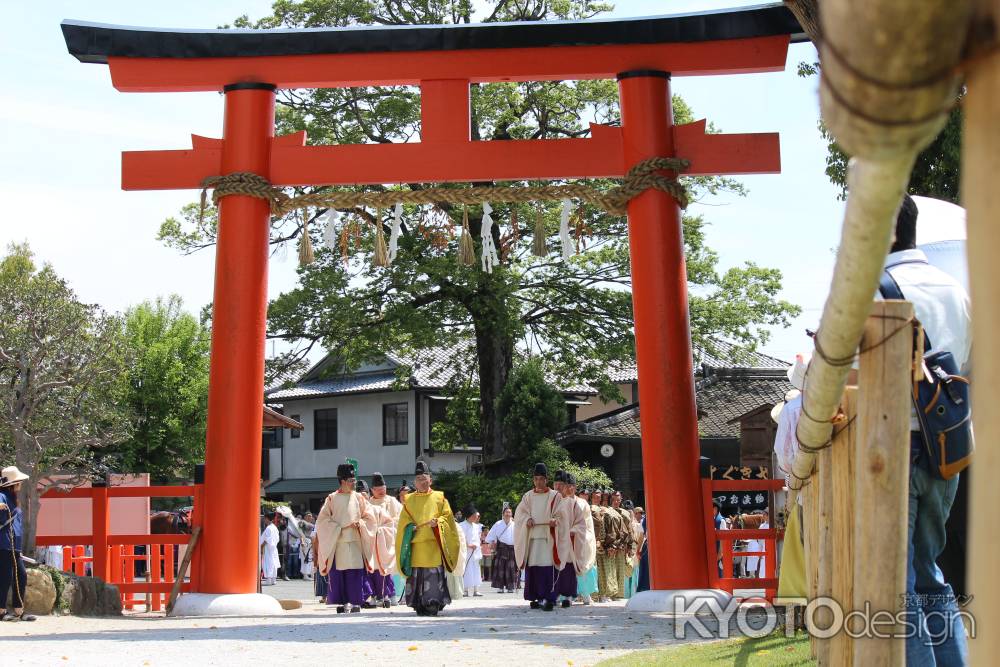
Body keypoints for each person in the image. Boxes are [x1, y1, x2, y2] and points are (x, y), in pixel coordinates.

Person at [881, 194, 972, 665]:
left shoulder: (875, 290)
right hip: (949, 443)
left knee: (899, 585)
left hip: (894, 446)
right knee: (930, 572)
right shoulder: (955, 288)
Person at [395, 461, 460, 616]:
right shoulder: (408, 500)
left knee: (432, 575)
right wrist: (411, 528)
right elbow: (403, 522)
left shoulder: (440, 498)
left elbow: (448, 518)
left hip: (433, 545)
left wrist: (438, 523)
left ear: (430, 480)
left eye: (425, 479)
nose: (422, 482)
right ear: (414, 482)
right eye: (419, 479)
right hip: (416, 545)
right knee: (417, 575)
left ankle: (433, 603)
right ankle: (418, 604)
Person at [316, 463, 377, 613]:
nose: (354, 483)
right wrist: (337, 528)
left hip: (355, 539)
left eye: (354, 480)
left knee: (355, 573)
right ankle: (342, 603)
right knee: (340, 574)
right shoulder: (331, 498)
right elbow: (322, 521)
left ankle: (356, 602)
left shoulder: (359, 498)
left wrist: (361, 524)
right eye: (351, 480)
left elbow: (370, 517)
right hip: (338, 541)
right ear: (342, 481)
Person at [513, 463, 567, 611]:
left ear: (546, 480)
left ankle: (549, 598)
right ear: (533, 480)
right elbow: (520, 514)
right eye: (536, 479)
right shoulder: (527, 496)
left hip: (547, 537)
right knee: (534, 569)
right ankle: (536, 596)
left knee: (547, 568)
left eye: (541, 479)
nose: (538, 482)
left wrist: (555, 520)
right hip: (532, 537)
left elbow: (562, 515)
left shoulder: (555, 496)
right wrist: (526, 520)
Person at [556, 474, 596, 607]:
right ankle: (565, 594)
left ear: (575, 487)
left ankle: (585, 593)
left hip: (580, 540)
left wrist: (576, 531)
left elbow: (586, 523)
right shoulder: (560, 502)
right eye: (567, 486)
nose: (570, 488)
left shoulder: (582, 503)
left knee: (580, 565)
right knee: (565, 568)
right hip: (564, 540)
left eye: (572, 486)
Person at [0, 467, 35, 622]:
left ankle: (18, 610)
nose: (20, 483)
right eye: (18, 482)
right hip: (4, 543)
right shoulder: (2, 495)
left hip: (14, 545)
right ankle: (1, 610)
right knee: (5, 577)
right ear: (12, 483)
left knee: (21, 575)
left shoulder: (13, 498)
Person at [367, 472, 402, 608]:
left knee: (386, 569)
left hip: (387, 539)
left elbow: (400, 518)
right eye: (378, 489)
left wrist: (385, 526)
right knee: (373, 570)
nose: (381, 492)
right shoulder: (368, 503)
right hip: (373, 541)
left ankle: (391, 594)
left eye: (383, 489)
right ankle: (376, 595)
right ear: (372, 490)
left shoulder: (392, 501)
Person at [607, 491, 635, 600]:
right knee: (610, 570)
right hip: (610, 545)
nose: (616, 502)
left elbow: (630, 530)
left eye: (618, 500)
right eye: (614, 499)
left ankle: (619, 594)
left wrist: (630, 546)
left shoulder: (625, 513)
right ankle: (611, 593)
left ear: (621, 500)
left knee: (621, 569)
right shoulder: (607, 512)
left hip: (622, 545)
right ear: (611, 500)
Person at [485, 505, 517, 593]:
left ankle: (510, 587)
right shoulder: (498, 524)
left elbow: (519, 537)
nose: (508, 514)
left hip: (511, 549)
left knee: (511, 568)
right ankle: (500, 587)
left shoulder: (515, 524)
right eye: (506, 512)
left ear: (511, 514)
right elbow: (491, 536)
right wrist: (491, 543)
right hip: (501, 548)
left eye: (509, 512)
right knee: (500, 568)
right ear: (503, 514)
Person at [590, 489, 611, 602]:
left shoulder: (604, 509)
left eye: (599, 497)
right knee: (593, 569)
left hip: (603, 543)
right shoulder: (589, 508)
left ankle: (603, 594)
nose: (597, 499)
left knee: (603, 570)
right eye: (595, 497)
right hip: (593, 541)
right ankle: (593, 594)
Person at [459, 506, 483, 597]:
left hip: (475, 551)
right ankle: (465, 590)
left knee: (476, 570)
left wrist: (477, 546)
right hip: (466, 550)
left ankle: (476, 590)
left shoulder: (477, 526)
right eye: (474, 516)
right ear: (468, 516)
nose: (476, 517)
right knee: (466, 569)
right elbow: (460, 538)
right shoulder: (462, 525)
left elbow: (477, 538)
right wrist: (468, 545)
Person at [259, 511, 280, 586]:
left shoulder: (269, 528)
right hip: (273, 548)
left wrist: (261, 547)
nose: (264, 520)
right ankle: (273, 579)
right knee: (273, 562)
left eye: (264, 518)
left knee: (268, 563)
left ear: (267, 519)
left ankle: (268, 579)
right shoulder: (274, 527)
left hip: (267, 548)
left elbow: (267, 540)